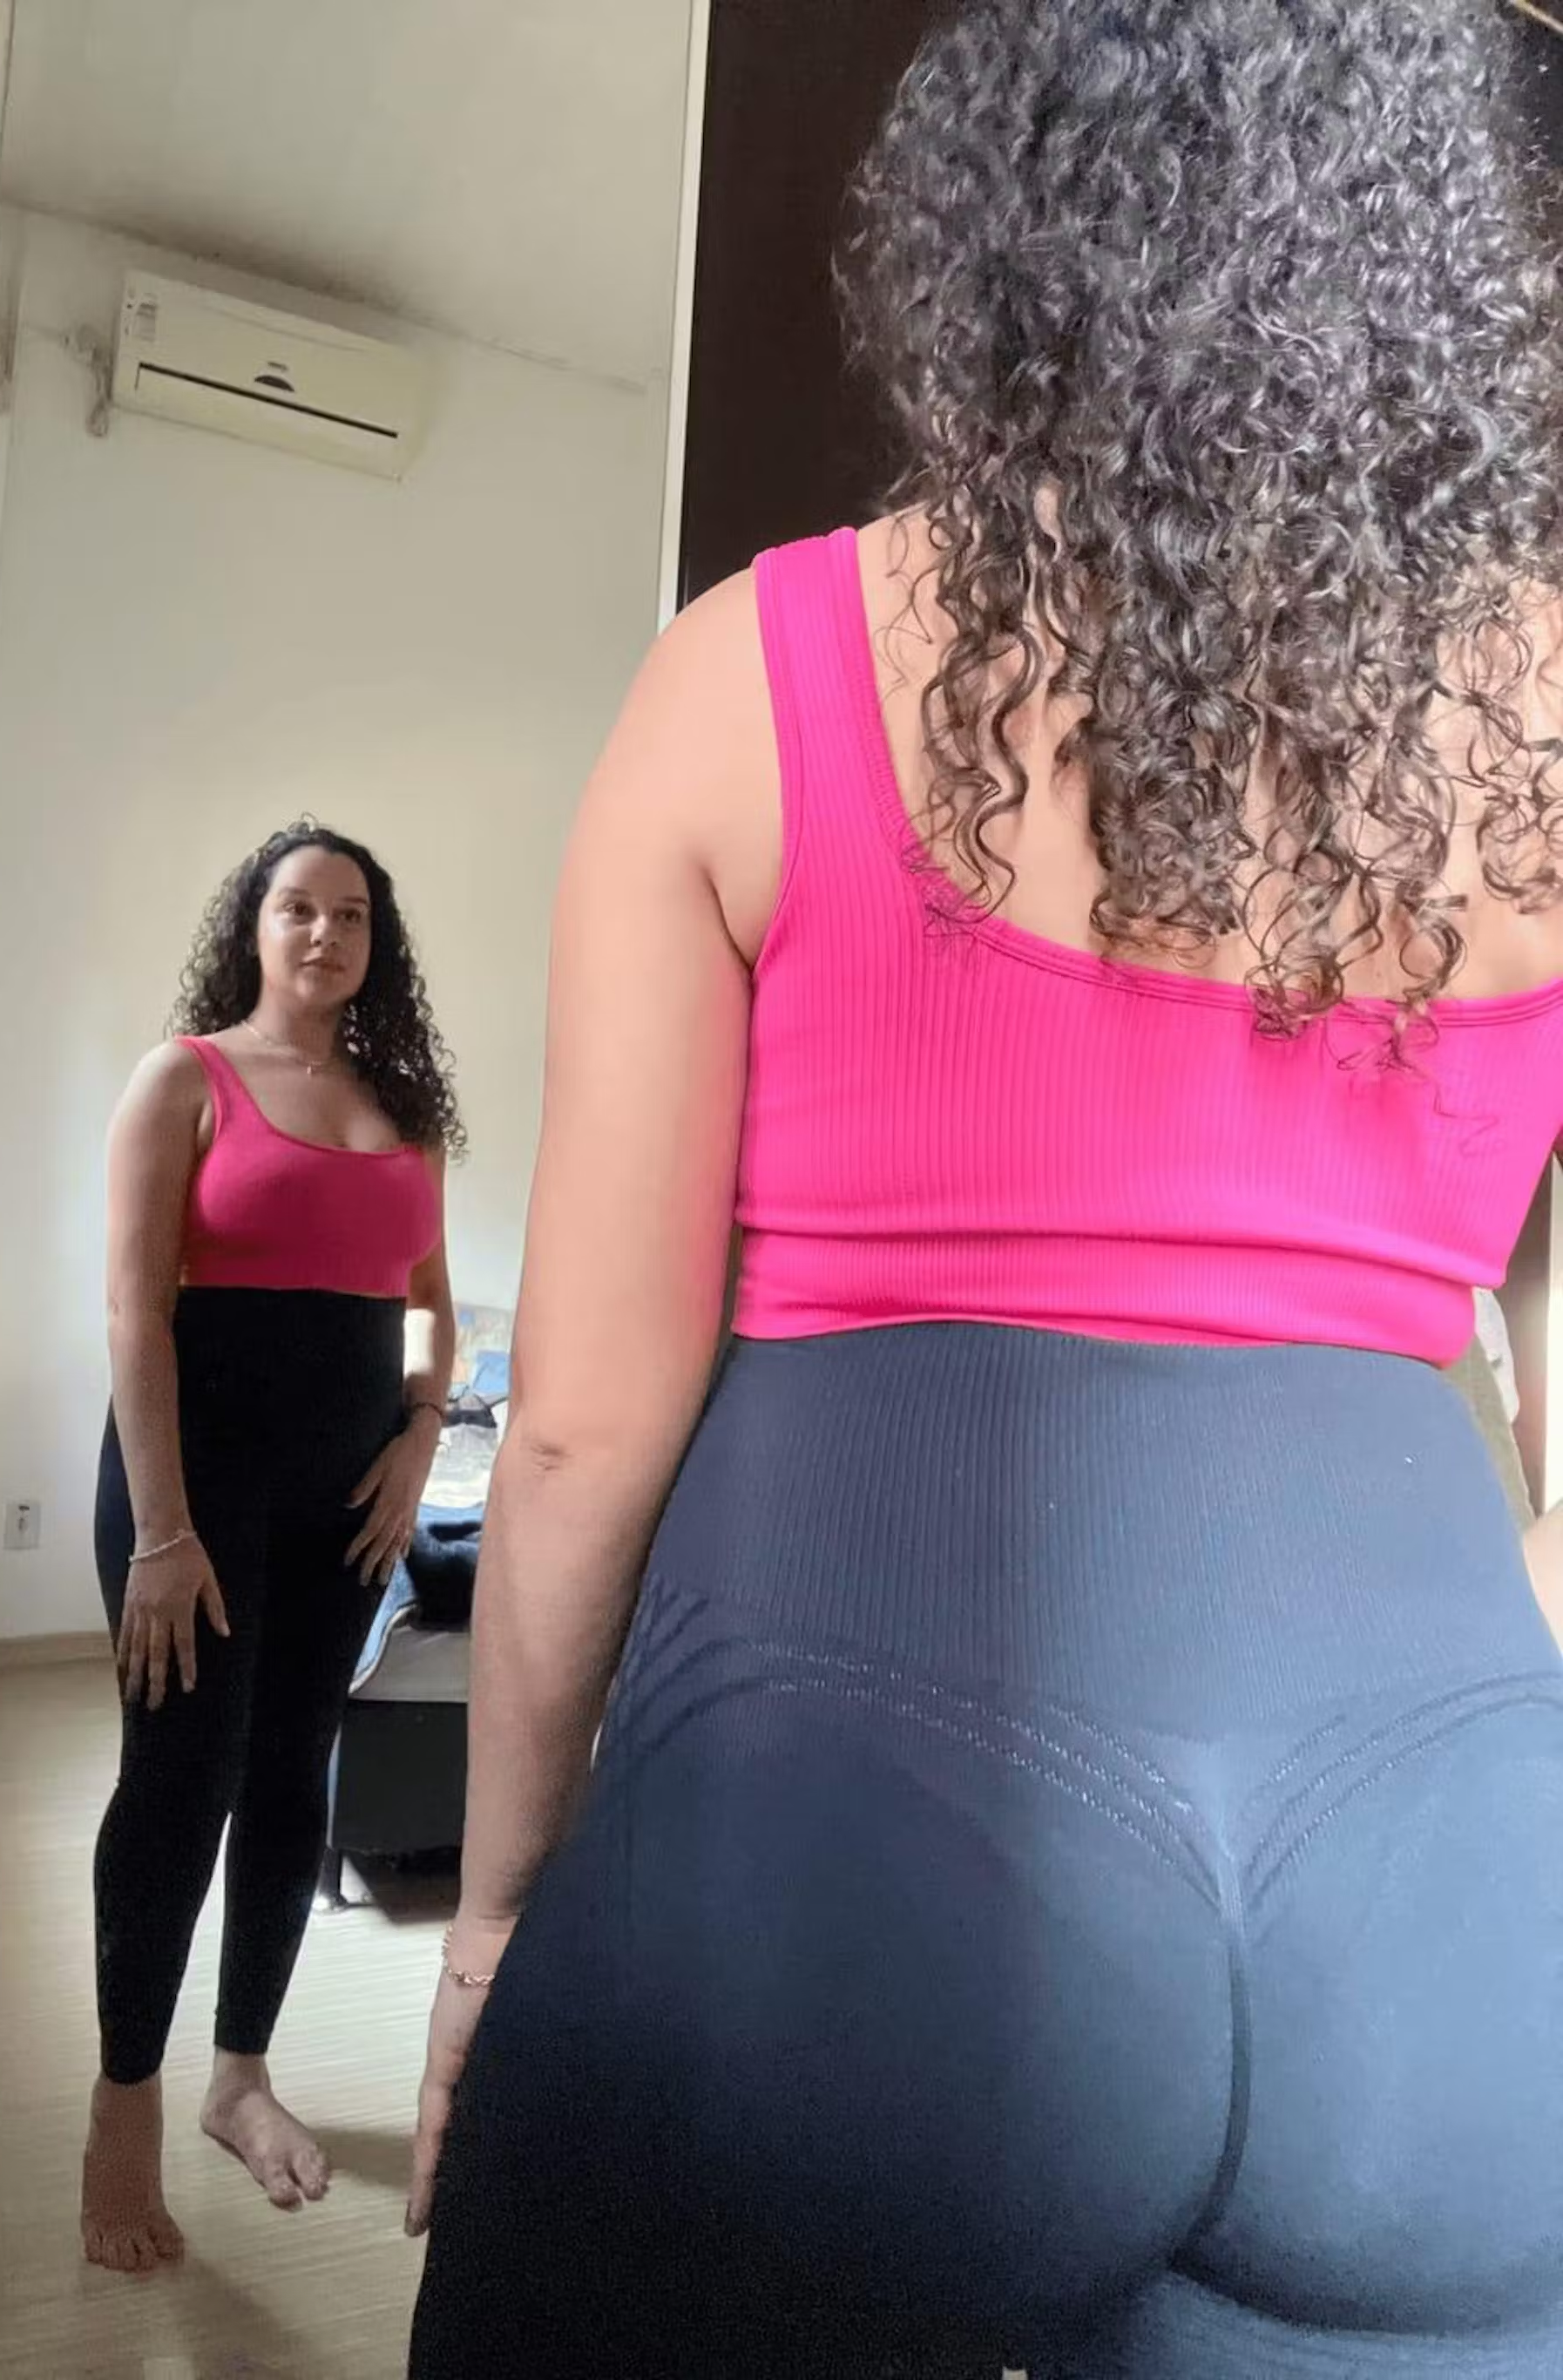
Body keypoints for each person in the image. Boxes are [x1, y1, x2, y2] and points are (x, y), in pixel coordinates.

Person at [406, 4, 1563, 2374]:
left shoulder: (758, 666)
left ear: (1028, 224)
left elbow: (583, 1428)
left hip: (849, 1858)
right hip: (1462, 1901)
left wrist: (502, 1915)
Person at [80, 824, 462, 2274]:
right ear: (253, 924)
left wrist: (423, 1427)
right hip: (197, 1492)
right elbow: (133, 1313)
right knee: (181, 1782)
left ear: (376, 942)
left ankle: (239, 2073)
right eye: (298, 906)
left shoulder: (405, 1108)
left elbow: (427, 1303)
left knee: (294, 1773)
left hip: (345, 1499)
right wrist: (162, 1530)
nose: (324, 933)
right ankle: (124, 2103)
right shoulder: (184, 1079)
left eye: (351, 913)